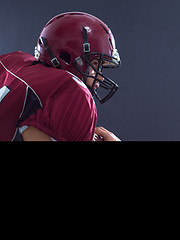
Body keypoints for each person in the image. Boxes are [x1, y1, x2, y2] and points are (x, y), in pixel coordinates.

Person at [0, 12, 121, 141]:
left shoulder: (13, 62)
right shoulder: (72, 92)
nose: (101, 77)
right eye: (95, 64)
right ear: (67, 56)